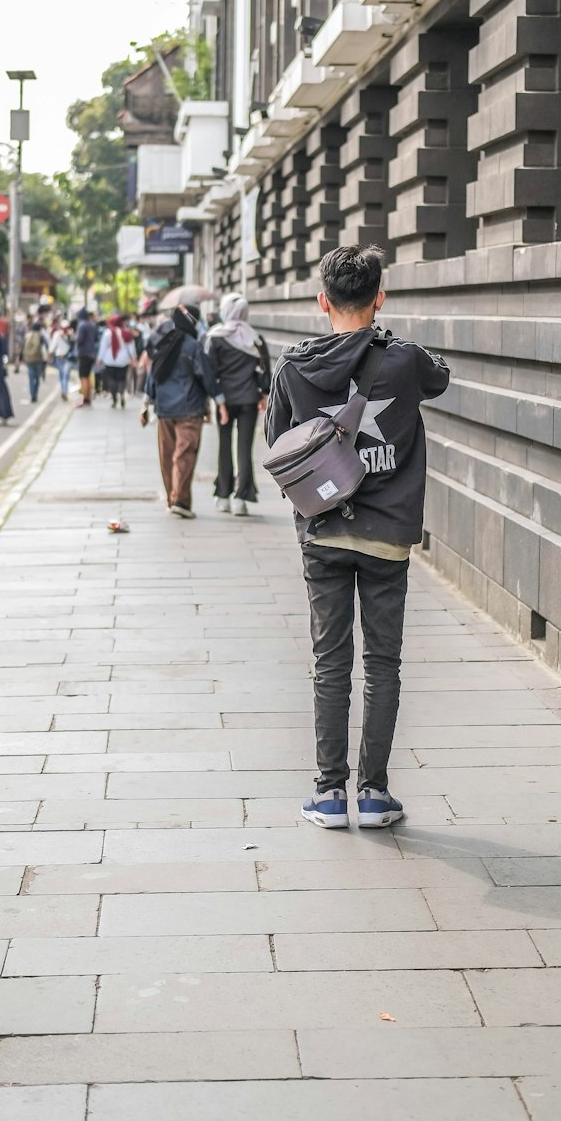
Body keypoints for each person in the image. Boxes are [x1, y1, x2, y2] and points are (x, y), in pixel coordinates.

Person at [265, 245, 450, 831]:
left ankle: (327, 793)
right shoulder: (403, 360)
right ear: (380, 296)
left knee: (330, 661)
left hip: (322, 530)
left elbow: (277, 443)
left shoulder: (293, 368)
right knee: (383, 661)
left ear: (323, 301)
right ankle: (373, 795)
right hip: (387, 534)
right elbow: (439, 378)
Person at [141, 304, 223, 519]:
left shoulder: (163, 344)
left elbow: (153, 374)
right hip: (190, 410)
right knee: (184, 456)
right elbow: (206, 376)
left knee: (167, 457)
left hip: (164, 410)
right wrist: (220, 401)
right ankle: (180, 501)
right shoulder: (193, 347)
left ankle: (172, 499)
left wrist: (145, 402)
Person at [205, 293, 271, 516]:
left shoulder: (215, 337)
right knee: (244, 449)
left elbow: (210, 374)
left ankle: (223, 496)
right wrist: (263, 395)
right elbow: (264, 370)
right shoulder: (255, 338)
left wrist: (217, 401)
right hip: (249, 400)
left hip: (225, 400)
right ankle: (240, 499)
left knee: (224, 446)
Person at [97, 313, 135, 408]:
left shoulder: (107, 333)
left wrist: (99, 358)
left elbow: (103, 347)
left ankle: (114, 399)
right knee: (122, 378)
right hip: (123, 360)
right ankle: (121, 393)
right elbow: (131, 347)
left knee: (111, 379)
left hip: (110, 360)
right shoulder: (126, 332)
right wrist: (133, 358)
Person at [75, 308, 98, 407]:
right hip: (92, 353)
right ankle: (88, 398)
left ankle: (85, 399)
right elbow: (96, 339)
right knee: (88, 376)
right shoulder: (92, 325)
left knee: (83, 377)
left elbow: (79, 340)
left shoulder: (82, 325)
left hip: (83, 353)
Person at [22, 318, 46, 403]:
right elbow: (45, 347)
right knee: (37, 378)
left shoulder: (27, 335)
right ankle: (35, 394)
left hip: (28, 358)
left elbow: (23, 346)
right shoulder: (40, 336)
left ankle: (32, 394)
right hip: (38, 359)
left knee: (31, 377)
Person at [49, 316, 73, 400]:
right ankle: (65, 391)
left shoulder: (57, 334)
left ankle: (64, 390)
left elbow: (52, 347)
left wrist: (50, 354)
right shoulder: (70, 334)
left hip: (59, 356)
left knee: (62, 375)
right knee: (66, 375)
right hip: (68, 357)